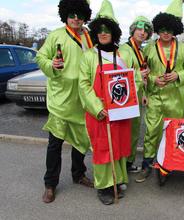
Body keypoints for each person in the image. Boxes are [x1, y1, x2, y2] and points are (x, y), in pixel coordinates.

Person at [36, 0, 93, 203]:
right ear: (65, 15)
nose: (76, 18)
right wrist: (51, 63)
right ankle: (50, 184)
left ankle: (78, 175)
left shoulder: (89, 36)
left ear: (85, 15)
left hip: (82, 100)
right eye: (72, 14)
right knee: (55, 144)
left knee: (81, 141)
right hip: (61, 100)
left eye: (80, 14)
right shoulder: (56, 35)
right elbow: (41, 57)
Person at [137, 0, 184, 183]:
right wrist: (153, 80)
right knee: (152, 132)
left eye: (169, 29)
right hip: (155, 97)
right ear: (158, 29)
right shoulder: (149, 48)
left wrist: (178, 75)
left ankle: (168, 165)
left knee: (172, 132)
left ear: (175, 30)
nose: (166, 33)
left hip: (176, 98)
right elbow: (143, 72)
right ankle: (147, 165)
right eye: (163, 29)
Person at [79, 0, 130, 205]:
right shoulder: (89, 57)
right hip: (99, 113)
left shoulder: (123, 54)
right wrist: (97, 108)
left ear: (114, 32)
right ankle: (103, 185)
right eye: (99, 29)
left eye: (107, 29)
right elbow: (83, 85)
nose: (103, 33)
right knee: (102, 149)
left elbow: (131, 81)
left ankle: (117, 180)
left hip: (119, 111)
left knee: (117, 147)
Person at [119, 16, 153, 174]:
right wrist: (139, 74)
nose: (142, 33)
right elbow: (121, 77)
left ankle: (129, 162)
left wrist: (144, 93)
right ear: (133, 30)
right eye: (139, 29)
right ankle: (123, 164)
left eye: (145, 31)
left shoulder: (140, 50)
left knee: (134, 131)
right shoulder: (125, 50)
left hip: (137, 96)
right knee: (127, 132)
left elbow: (141, 76)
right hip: (126, 99)